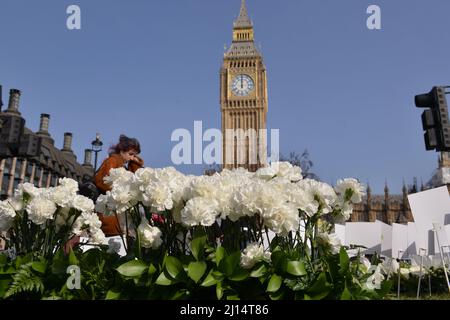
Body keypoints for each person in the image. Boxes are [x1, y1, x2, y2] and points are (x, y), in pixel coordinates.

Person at [94, 134, 144, 236]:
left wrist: (135, 164)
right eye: (130, 154)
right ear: (122, 151)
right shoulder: (112, 161)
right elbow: (102, 180)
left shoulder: (122, 165)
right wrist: (120, 191)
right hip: (110, 212)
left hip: (117, 212)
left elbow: (137, 179)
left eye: (134, 155)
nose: (132, 158)